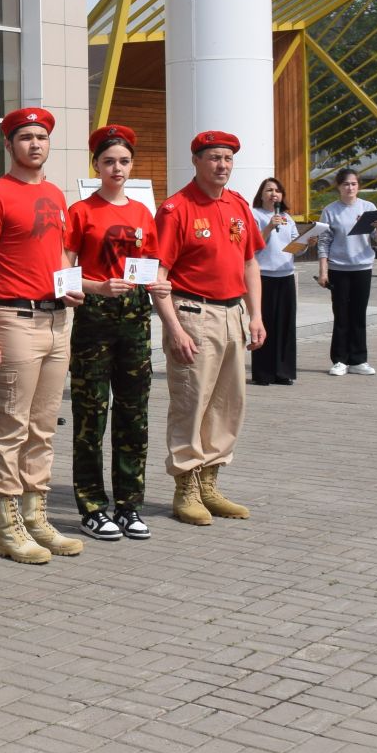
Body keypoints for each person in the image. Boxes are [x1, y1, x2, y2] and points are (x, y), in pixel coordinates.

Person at [0, 106, 85, 565]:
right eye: (25, 138)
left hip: (58, 319)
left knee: (44, 426)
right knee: (11, 427)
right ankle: (7, 525)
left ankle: (36, 515)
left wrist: (69, 285)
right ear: (9, 145)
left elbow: (59, 251)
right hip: (13, 320)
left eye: (41, 137)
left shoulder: (56, 194)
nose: (35, 144)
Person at [151, 131, 265, 527]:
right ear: (196, 161)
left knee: (227, 404)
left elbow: (250, 263)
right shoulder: (176, 209)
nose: (222, 166)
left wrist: (256, 315)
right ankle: (186, 487)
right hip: (193, 314)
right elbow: (158, 275)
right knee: (191, 401)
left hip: (232, 313)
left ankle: (210, 483)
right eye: (214, 158)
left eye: (228, 159)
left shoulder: (237, 205)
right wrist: (174, 328)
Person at [65, 124, 155, 542]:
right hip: (94, 317)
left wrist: (158, 284)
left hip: (135, 316)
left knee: (133, 414)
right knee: (90, 415)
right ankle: (93, 506)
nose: (116, 168)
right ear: (96, 166)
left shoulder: (142, 213)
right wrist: (95, 287)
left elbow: (151, 265)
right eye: (108, 162)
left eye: (123, 161)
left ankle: (129, 504)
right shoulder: (81, 212)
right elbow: (65, 271)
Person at [313, 167, 377, 375]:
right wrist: (323, 271)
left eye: (354, 184)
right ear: (338, 186)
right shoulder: (330, 210)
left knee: (358, 313)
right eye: (346, 184)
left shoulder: (368, 207)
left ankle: (358, 359)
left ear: (359, 186)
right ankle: (339, 360)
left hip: (362, 267)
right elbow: (323, 242)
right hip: (339, 268)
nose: (350, 188)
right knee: (341, 314)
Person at [249, 177, 299, 385]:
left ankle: (283, 371)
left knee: (285, 325)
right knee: (265, 324)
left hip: (285, 275)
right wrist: (269, 227)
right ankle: (263, 373)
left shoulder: (287, 217)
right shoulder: (255, 215)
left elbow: (295, 244)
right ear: (261, 195)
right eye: (269, 190)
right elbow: (253, 244)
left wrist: (307, 242)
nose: (274, 194)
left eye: (277, 190)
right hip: (263, 277)